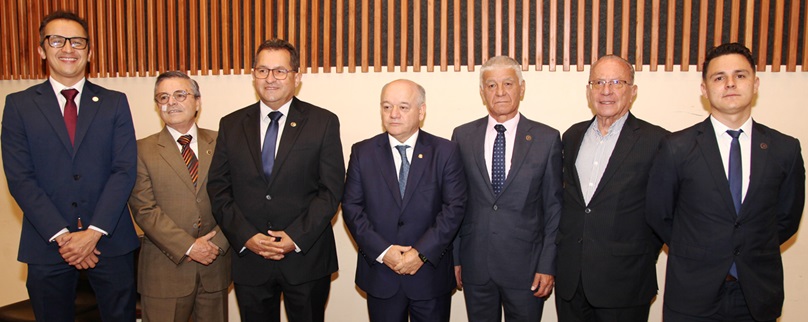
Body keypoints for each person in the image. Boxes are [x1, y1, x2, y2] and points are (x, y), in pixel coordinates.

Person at [646, 42, 805, 322]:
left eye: (740, 75)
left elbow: (786, 219)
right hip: (693, 294)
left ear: (755, 84)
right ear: (705, 89)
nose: (730, 84)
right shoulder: (676, 147)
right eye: (719, 78)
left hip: (756, 294)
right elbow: (660, 215)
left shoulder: (785, 149)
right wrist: (701, 247)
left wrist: (746, 246)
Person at [1, 10, 139, 321]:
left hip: (109, 240)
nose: (68, 48)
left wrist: (92, 233)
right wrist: (64, 236)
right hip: (47, 243)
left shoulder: (114, 102)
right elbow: (20, 178)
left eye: (77, 42)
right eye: (57, 40)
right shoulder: (19, 106)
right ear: (41, 50)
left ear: (90, 52)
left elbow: (124, 170)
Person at [207, 39, 345, 322]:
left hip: (305, 259)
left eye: (280, 71)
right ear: (253, 74)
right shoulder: (231, 124)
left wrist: (295, 237)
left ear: (297, 76)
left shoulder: (323, 122)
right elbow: (219, 189)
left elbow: (331, 191)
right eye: (262, 70)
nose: (270, 78)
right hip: (250, 260)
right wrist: (247, 236)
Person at [554, 55, 668, 322]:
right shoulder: (571, 136)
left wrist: (636, 255)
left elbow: (665, 212)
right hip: (572, 282)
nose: (606, 91)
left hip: (625, 283)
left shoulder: (658, 141)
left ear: (633, 91)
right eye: (598, 82)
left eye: (617, 82)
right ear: (588, 90)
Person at [342, 79, 467, 321]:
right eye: (387, 107)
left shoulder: (445, 151)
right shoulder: (362, 152)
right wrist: (383, 251)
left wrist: (420, 253)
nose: (394, 114)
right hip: (381, 274)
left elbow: (454, 208)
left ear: (421, 111)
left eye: (403, 107)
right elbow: (351, 208)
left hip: (429, 276)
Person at [452, 56, 563, 321]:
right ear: (482, 92)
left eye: (508, 83)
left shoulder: (546, 139)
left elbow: (554, 207)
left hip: (526, 267)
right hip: (475, 264)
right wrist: (455, 258)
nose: (499, 92)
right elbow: (455, 202)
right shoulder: (462, 136)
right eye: (491, 85)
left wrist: (547, 264)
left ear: (522, 88)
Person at [128, 71, 231, 322]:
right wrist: (190, 246)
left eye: (180, 94)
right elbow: (144, 209)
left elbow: (238, 199)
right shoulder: (140, 150)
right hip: (164, 273)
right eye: (163, 97)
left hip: (214, 268)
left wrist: (217, 244)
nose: (171, 102)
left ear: (197, 101)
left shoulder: (223, 142)